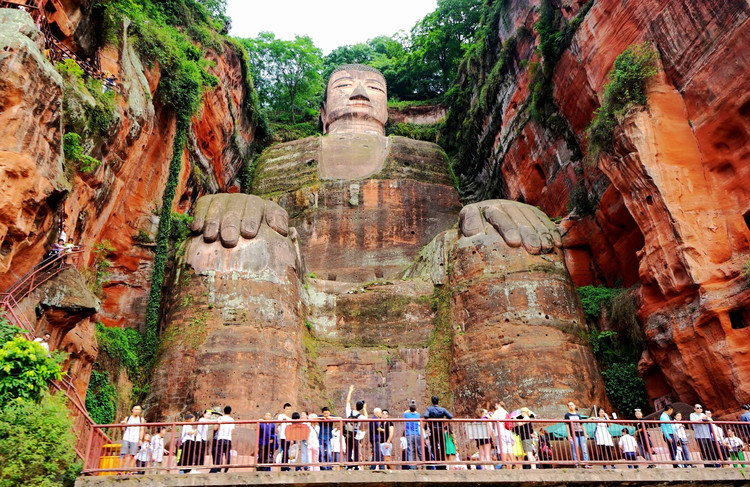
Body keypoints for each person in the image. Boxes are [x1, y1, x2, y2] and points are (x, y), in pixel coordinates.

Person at [424, 395, 453, 469]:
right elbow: (450, 416)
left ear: (432, 401)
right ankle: (443, 464)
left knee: (434, 446)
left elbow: (426, 416)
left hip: (433, 429)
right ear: (438, 401)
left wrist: (431, 419)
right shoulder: (442, 409)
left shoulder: (429, 409)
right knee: (442, 446)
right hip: (440, 429)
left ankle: (437, 464)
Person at [344, 385, 366, 468]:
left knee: (348, 449)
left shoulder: (349, 412)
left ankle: (348, 465)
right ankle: (356, 465)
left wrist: (350, 391)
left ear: (355, 406)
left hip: (347, 433)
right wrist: (365, 409)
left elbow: (347, 402)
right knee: (356, 449)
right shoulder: (360, 416)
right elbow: (367, 418)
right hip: (355, 434)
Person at [565, 401, 590, 468]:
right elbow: (567, 426)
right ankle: (576, 463)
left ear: (574, 406)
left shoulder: (578, 415)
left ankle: (586, 463)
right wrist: (569, 435)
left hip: (581, 432)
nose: (571, 406)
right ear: (568, 407)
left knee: (584, 449)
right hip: (573, 434)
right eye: (570, 405)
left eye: (572, 405)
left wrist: (585, 433)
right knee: (575, 448)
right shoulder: (567, 415)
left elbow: (581, 424)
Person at [209, 405, 234, 473]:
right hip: (228, 438)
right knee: (227, 453)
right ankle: (227, 467)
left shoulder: (220, 418)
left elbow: (215, 428)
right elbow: (232, 431)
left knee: (219, 454)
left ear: (224, 411)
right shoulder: (232, 420)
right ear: (230, 412)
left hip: (220, 438)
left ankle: (218, 468)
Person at [119, 405, 145, 471]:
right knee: (123, 454)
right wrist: (122, 424)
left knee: (133, 455)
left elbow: (142, 429)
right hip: (126, 437)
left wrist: (140, 439)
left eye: (138, 409)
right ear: (132, 410)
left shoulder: (141, 419)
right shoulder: (127, 418)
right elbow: (122, 429)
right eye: (135, 409)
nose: (137, 411)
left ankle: (130, 470)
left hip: (135, 439)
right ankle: (119, 470)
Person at [492, 401, 514, 468]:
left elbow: (493, 419)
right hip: (508, 432)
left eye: (495, 404)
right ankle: (513, 463)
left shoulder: (497, 412)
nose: (495, 406)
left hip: (500, 432)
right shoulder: (506, 412)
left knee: (502, 448)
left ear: (498, 404)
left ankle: (504, 463)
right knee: (509, 448)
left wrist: (489, 416)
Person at [404, 400, 422, 469]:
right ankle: (422, 465)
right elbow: (417, 412)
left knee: (411, 451)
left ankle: (412, 466)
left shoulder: (406, 414)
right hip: (417, 434)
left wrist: (409, 408)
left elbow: (405, 412)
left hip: (409, 434)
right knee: (420, 450)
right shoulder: (418, 415)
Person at [277, 403, 293, 471]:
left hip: (288, 437)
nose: (288, 410)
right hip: (283, 436)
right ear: (284, 409)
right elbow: (278, 423)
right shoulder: (281, 416)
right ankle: (284, 466)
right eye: (287, 409)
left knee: (286, 451)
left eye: (289, 409)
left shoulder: (290, 419)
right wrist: (282, 421)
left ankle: (285, 465)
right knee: (285, 450)